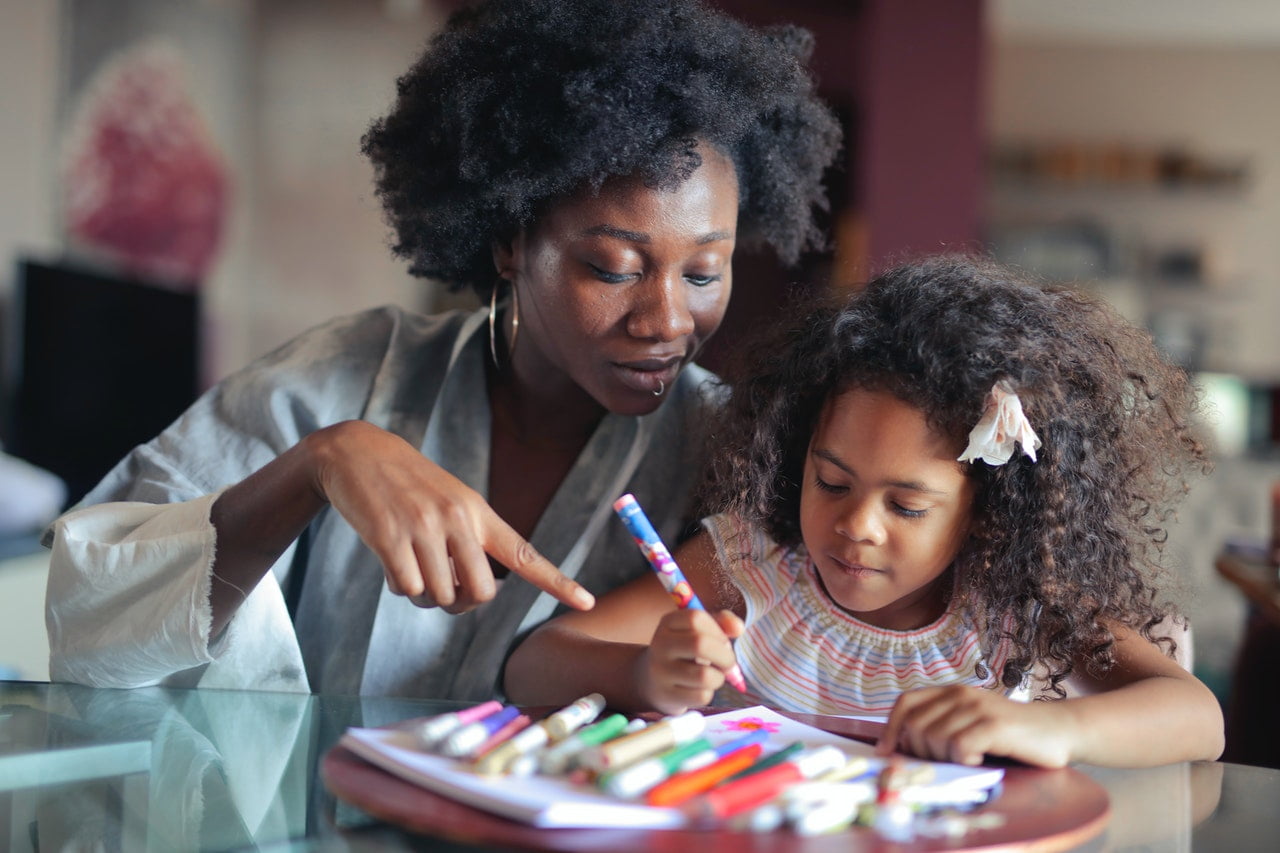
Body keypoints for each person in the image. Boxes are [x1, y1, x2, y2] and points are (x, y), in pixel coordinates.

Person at [43, 0, 841, 699]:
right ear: (508, 241)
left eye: (705, 270)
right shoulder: (349, 377)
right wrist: (320, 464)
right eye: (613, 268)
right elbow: (92, 621)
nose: (667, 317)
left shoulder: (737, 451)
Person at [504, 255, 1226, 768]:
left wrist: (1057, 727)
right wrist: (645, 678)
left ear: (985, 511)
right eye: (831, 481)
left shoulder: (1015, 602)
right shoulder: (756, 564)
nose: (856, 526)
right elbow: (533, 666)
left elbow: (1198, 717)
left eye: (907, 506)